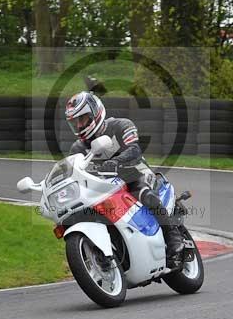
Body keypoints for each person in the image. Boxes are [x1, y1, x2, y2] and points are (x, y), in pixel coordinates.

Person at [65, 91, 184, 265]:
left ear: (95, 112)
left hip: (135, 174)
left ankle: (173, 238)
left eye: (82, 119)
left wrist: (116, 161)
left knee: (145, 195)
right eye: (75, 122)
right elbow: (72, 170)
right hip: (106, 186)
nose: (79, 125)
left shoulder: (121, 125)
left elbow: (135, 149)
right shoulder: (77, 148)